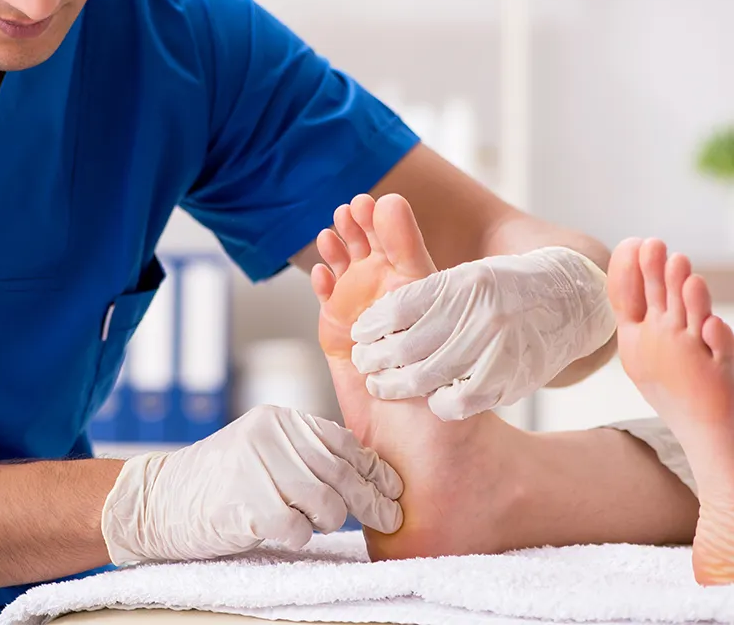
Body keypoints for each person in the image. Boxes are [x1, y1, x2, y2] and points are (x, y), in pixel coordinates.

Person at [0, 0, 674, 620]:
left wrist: (565, 298)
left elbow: (503, 236)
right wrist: (140, 502)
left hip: (48, 601)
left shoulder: (166, 33)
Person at [311, 193, 728, 584]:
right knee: (706, 453)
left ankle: (492, 488)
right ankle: (491, 483)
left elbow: (491, 226)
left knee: (711, 448)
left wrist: (570, 286)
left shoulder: (293, 125)